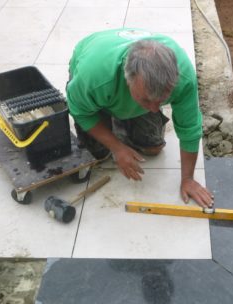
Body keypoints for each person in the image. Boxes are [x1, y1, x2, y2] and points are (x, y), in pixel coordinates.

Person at [66, 28, 214, 208]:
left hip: (119, 88)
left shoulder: (183, 77)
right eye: (146, 100)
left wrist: (188, 179)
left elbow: (190, 129)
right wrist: (117, 147)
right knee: (99, 154)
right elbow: (81, 112)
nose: (154, 109)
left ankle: (122, 115)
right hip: (93, 62)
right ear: (127, 79)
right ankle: (110, 110)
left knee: (153, 147)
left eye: (161, 100)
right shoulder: (94, 77)